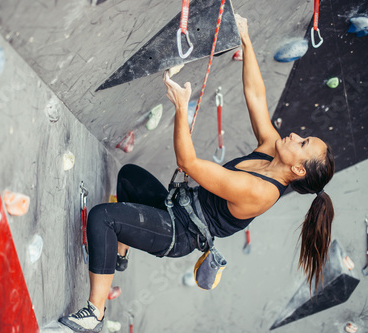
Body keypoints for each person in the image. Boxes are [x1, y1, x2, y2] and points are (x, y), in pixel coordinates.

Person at [58, 14, 335, 333]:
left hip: (180, 231)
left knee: (102, 218)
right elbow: (256, 96)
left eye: (303, 143)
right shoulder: (272, 147)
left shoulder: (261, 192)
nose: (296, 135)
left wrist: (180, 107)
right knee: (130, 177)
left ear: (298, 169)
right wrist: (246, 39)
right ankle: (118, 255)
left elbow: (188, 163)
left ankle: (94, 311)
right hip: (178, 205)